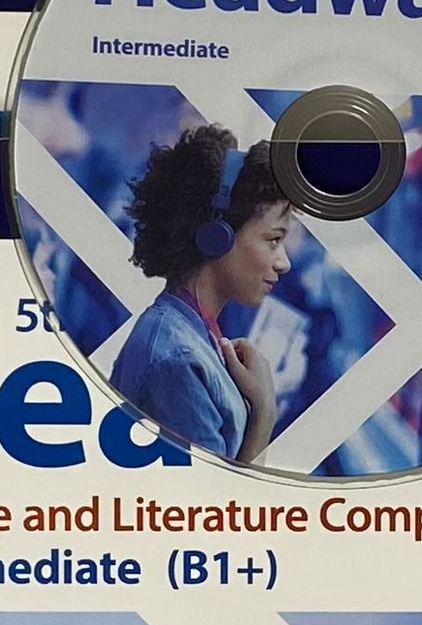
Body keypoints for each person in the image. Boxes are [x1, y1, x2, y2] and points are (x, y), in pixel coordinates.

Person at [103, 123, 298, 464]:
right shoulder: (178, 362)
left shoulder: (190, 336)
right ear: (217, 237)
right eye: (273, 240)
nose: (284, 263)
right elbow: (215, 499)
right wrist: (264, 412)